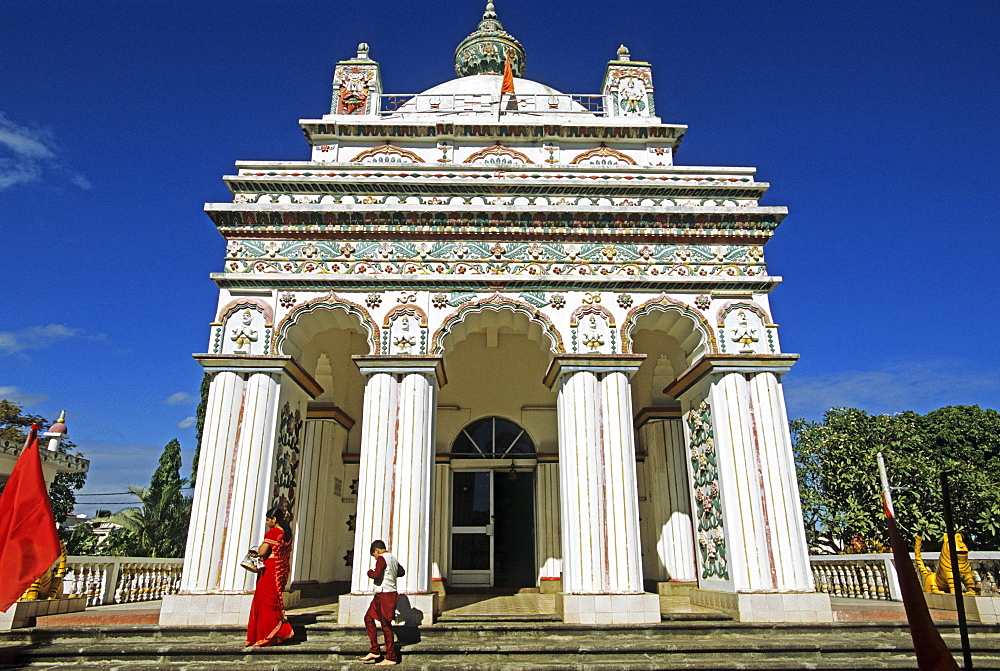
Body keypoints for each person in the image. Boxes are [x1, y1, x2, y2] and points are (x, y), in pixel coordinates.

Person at [245, 507, 295, 647]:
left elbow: (262, 551)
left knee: (265, 601)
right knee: (274, 601)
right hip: (281, 570)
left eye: (268, 520)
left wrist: (256, 551)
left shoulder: (273, 533)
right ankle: (272, 633)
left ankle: (271, 634)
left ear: (274, 520)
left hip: (271, 570)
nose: (267, 522)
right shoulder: (287, 534)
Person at [359, 539, 405, 666]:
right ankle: (375, 650)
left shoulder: (382, 558)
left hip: (386, 595)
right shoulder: (393, 558)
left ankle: (391, 657)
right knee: (368, 618)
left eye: (374, 555)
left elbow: (376, 574)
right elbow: (401, 572)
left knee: (386, 625)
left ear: (377, 550)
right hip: (382, 594)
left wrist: (370, 572)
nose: (375, 558)